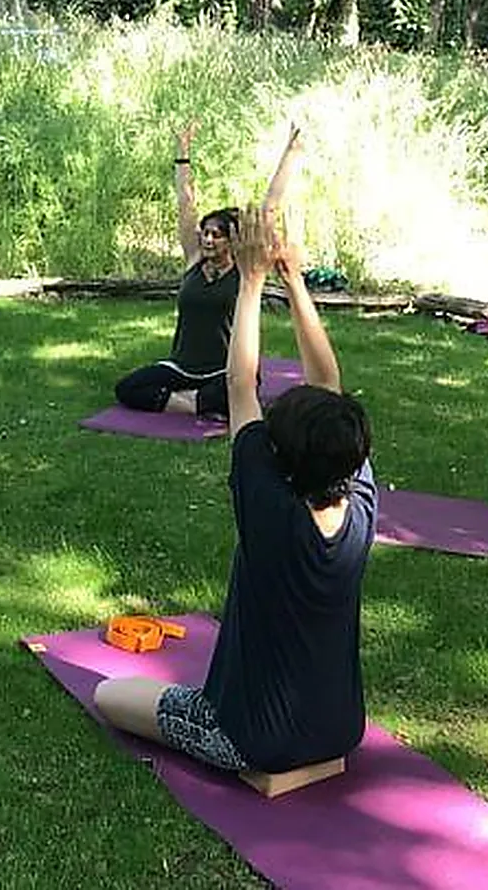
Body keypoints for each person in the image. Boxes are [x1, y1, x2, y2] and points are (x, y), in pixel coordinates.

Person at [95, 202, 377, 776]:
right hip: (342, 728)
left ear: (281, 456)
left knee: (111, 695)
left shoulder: (272, 510)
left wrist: (252, 282)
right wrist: (293, 279)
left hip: (254, 742)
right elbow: (328, 385)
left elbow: (239, 384)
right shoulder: (361, 505)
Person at [113, 121, 303, 420]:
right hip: (181, 369)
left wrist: (290, 155)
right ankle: (198, 404)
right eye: (205, 232)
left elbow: (269, 209)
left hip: (224, 371)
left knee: (241, 391)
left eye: (217, 234)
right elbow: (185, 204)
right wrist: (183, 153)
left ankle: (189, 402)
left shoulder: (245, 271)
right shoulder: (194, 260)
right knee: (129, 388)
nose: (208, 239)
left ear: (233, 240)